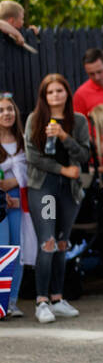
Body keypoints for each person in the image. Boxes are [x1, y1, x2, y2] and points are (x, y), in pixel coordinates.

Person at [25, 74, 91, 325]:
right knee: (48, 242)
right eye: (50, 92)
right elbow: (33, 157)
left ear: (67, 93)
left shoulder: (78, 120)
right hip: (45, 188)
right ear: (44, 96)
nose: (55, 96)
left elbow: (84, 153)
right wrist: (62, 170)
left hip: (69, 191)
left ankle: (57, 298)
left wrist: (64, 135)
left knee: (63, 242)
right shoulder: (35, 119)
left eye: (59, 91)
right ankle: (41, 301)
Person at [0, 94, 28, 318]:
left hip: (20, 199)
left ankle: (12, 301)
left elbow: (32, 171)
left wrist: (16, 185)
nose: (6, 113)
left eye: (9, 109)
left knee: (17, 250)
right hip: (1, 199)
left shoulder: (23, 140)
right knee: (2, 249)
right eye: (1, 110)